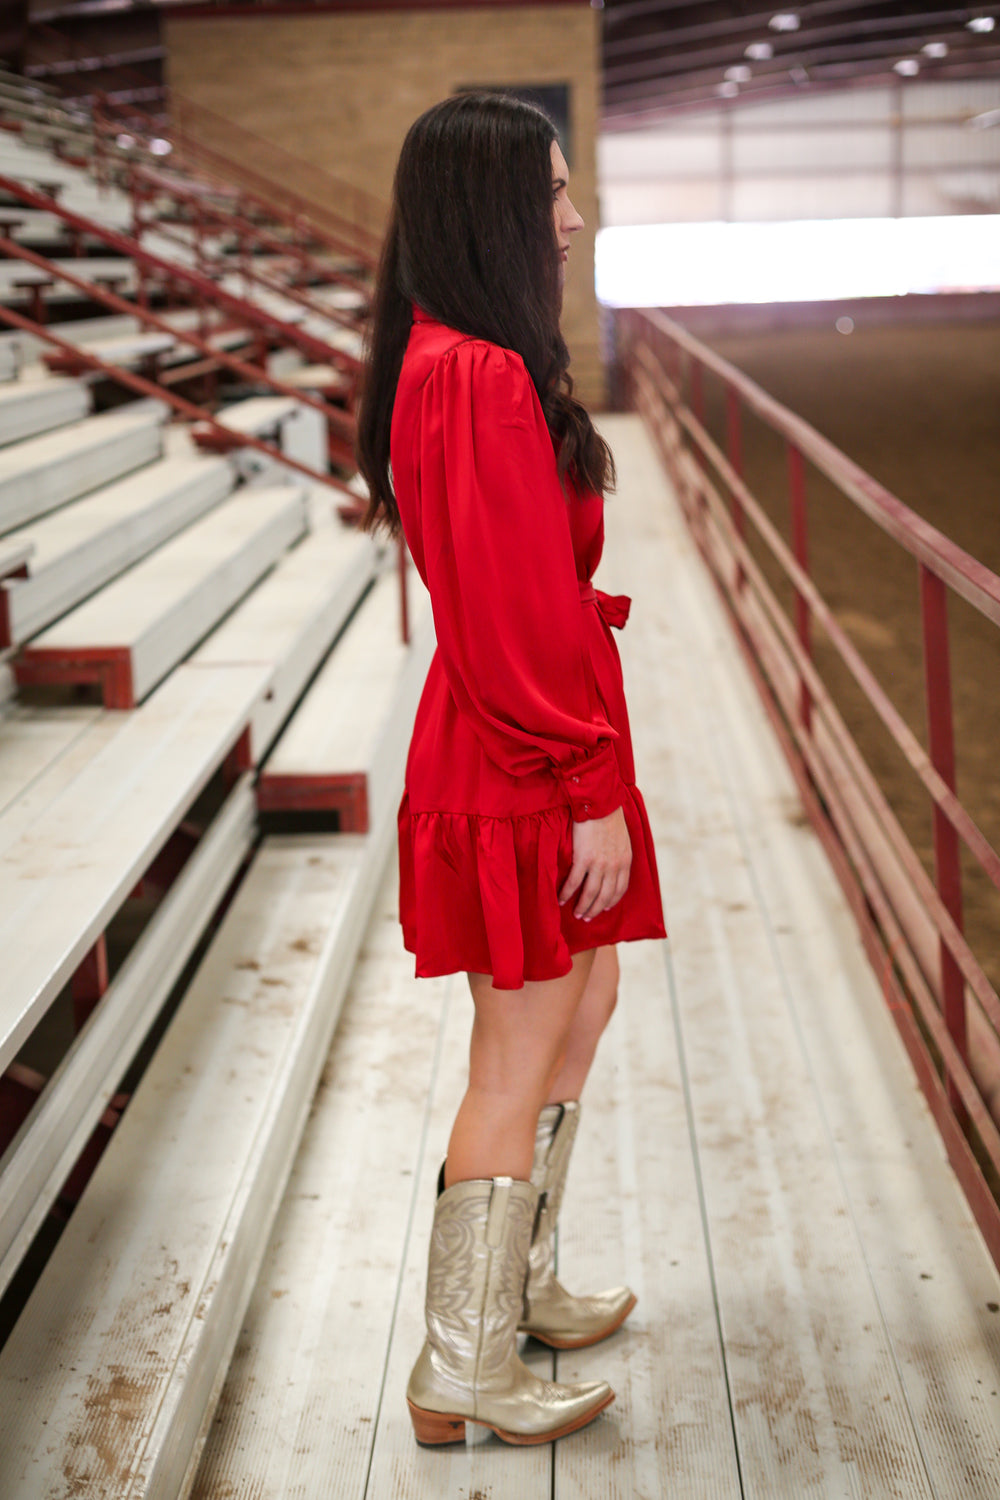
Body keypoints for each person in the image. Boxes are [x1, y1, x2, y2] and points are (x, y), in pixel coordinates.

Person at [356, 91, 665, 1448]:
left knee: (581, 996)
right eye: (551, 192)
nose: (574, 215)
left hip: (533, 731)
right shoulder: (470, 378)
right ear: (488, 210)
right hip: (522, 748)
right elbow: (508, 609)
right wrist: (585, 779)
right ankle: (460, 1366)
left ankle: (519, 1289)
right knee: (515, 1045)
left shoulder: (465, 359)